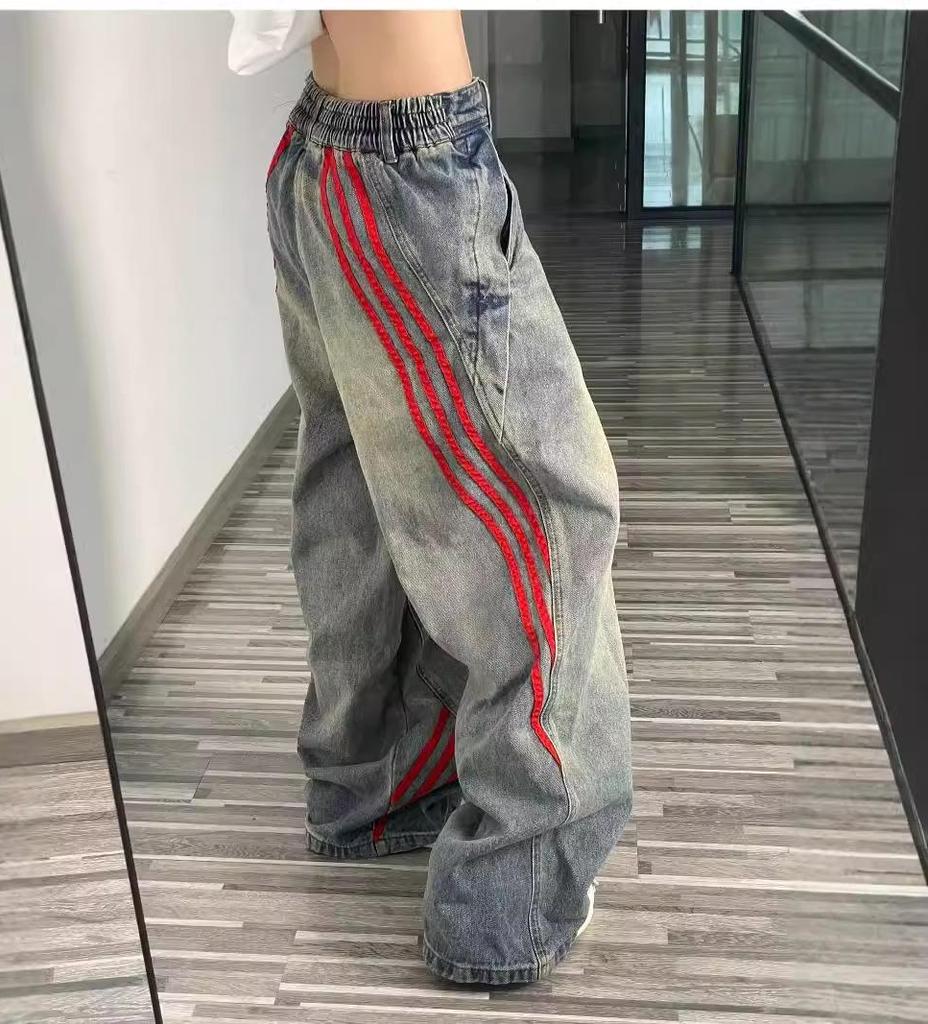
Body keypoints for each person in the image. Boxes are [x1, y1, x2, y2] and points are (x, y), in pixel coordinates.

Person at [230, 10, 632, 985]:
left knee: (366, 495)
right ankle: (508, 901)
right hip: (407, 163)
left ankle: (375, 784)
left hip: (331, 154)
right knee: (553, 518)